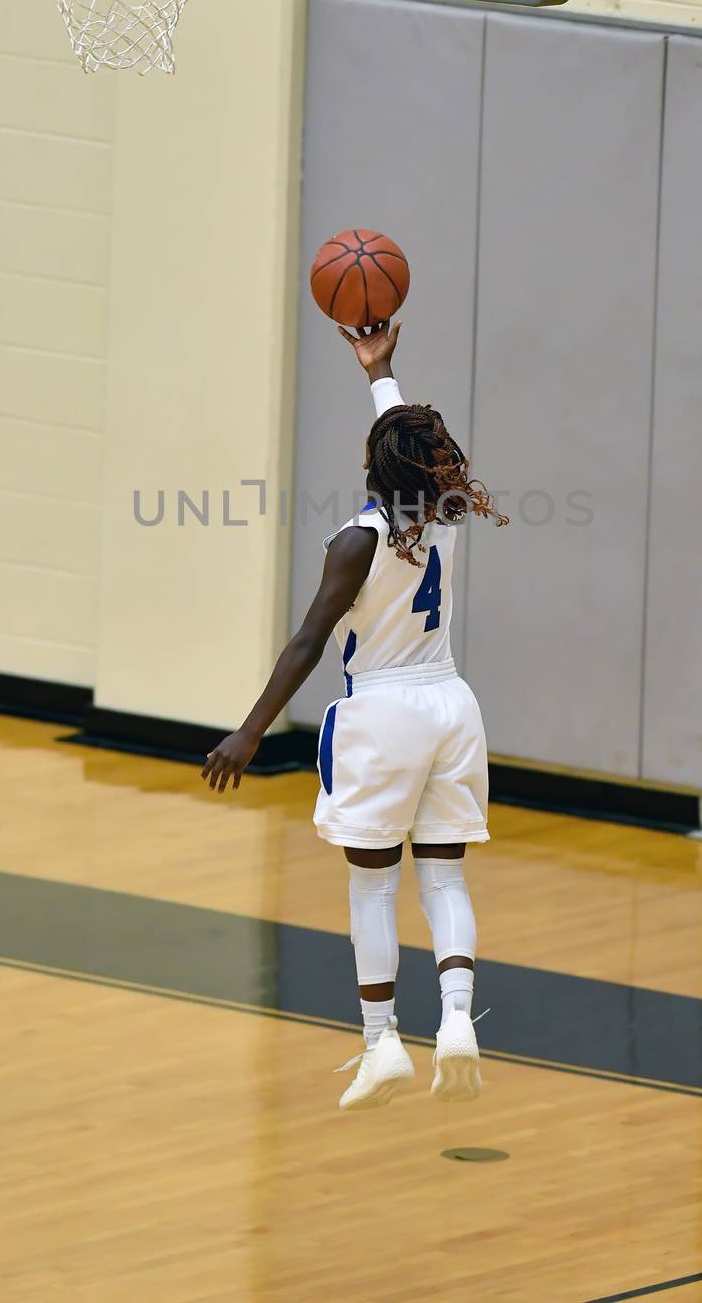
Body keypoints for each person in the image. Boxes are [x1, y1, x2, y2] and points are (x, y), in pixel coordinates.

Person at [203, 320, 507, 1110]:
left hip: (383, 715)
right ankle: (455, 1021)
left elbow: (308, 642)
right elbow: (410, 441)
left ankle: (381, 1042)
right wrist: (381, 371)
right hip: (452, 705)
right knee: (443, 878)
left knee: (373, 890)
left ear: (371, 463)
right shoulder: (442, 511)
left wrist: (250, 729)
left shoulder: (353, 542)